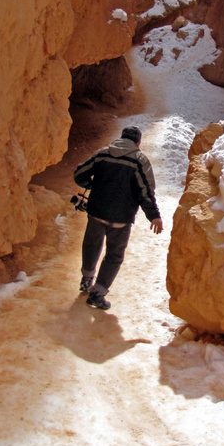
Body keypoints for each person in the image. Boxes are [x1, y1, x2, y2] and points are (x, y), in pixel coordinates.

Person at [74, 125, 163, 310]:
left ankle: (86, 280)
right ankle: (97, 294)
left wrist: (91, 186)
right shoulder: (140, 161)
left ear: (121, 138)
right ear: (138, 143)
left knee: (91, 245)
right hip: (121, 219)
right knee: (114, 256)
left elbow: (79, 174)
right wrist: (154, 216)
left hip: (96, 212)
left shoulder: (103, 154)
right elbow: (146, 192)